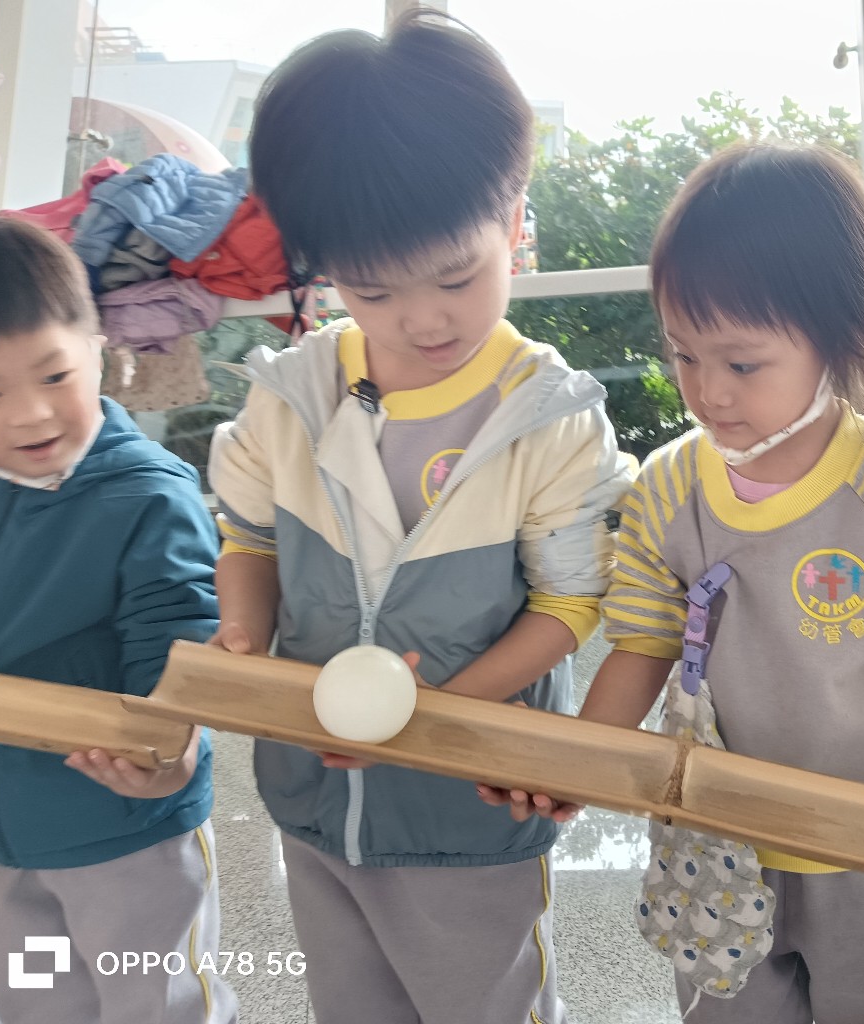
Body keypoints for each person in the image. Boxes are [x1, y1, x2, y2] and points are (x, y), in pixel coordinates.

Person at [481, 144, 864, 1023]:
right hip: (712, 842)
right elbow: (642, 643)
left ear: (836, 338)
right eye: (684, 356)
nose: (707, 392)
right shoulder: (667, 488)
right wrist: (578, 762)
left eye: (742, 364)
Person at [206, 9, 632, 1023]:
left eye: (457, 276)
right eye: (374, 289)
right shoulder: (295, 393)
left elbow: (569, 605)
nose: (424, 318)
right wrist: (243, 641)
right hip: (315, 800)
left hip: (470, 809)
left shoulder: (547, 415)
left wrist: (421, 715)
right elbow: (250, 537)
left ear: (513, 218)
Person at [0, 217, 233, 1024]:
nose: (30, 415)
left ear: (99, 348)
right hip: (0, 842)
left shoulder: (147, 495)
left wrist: (170, 756)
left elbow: (181, 646)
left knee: (158, 1004)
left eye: (54, 375)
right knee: (40, 1003)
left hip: (127, 833)